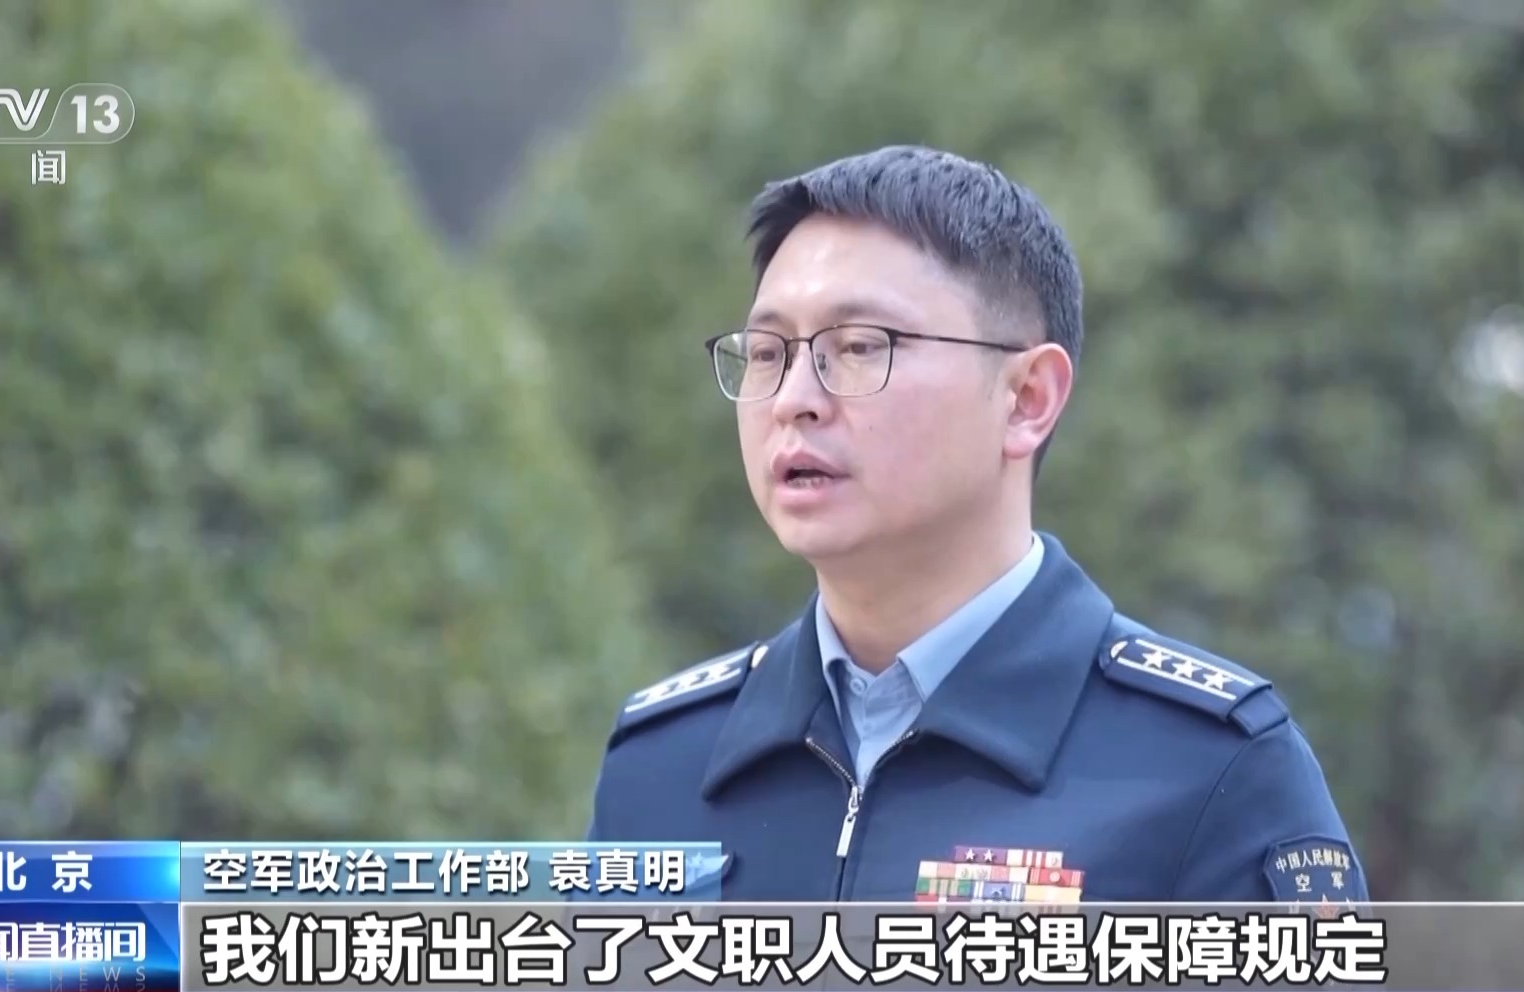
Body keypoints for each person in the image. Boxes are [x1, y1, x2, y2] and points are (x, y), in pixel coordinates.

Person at [584, 145, 1367, 906]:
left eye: (859, 347)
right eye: (767, 353)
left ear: (1027, 399)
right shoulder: (661, 768)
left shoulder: (1211, 772)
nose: (794, 399)